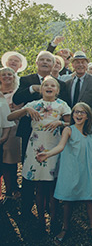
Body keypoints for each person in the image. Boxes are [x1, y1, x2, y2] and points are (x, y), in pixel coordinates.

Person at [8, 77, 71, 231]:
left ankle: (54, 220)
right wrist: (25, 110)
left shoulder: (62, 105)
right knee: (38, 186)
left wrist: (61, 123)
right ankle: (41, 221)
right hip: (35, 147)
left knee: (52, 186)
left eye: (52, 85)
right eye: (45, 85)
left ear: (57, 90)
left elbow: (73, 124)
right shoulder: (33, 104)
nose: (49, 87)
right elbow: (10, 117)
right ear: (41, 89)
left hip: (54, 147)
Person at [35, 102, 92, 242]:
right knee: (68, 200)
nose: (78, 114)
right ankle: (65, 228)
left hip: (86, 171)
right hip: (71, 170)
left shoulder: (90, 133)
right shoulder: (68, 130)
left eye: (82, 112)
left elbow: (91, 151)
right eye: (76, 112)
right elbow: (60, 146)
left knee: (89, 199)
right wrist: (47, 154)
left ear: (88, 116)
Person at [65, 51, 92, 166]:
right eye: (77, 62)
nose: (80, 65)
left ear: (87, 64)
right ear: (72, 65)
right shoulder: (68, 83)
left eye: (83, 62)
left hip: (90, 126)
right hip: (72, 127)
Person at [0, 67, 22, 201]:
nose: (7, 76)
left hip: (13, 130)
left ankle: (11, 189)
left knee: (10, 161)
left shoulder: (18, 92)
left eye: (10, 74)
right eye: (3, 74)